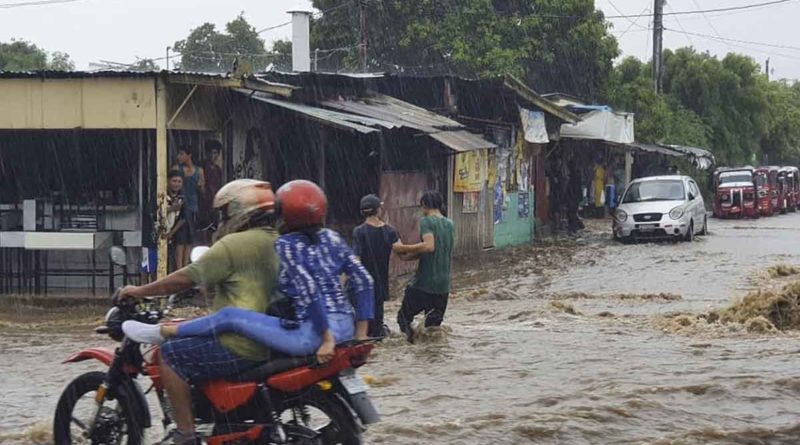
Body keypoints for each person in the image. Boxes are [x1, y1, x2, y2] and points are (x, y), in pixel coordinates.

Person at [117, 179, 280, 445]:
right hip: (270, 339)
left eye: (223, 212)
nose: (221, 219)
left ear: (237, 210)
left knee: (171, 354)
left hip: (241, 344)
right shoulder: (275, 240)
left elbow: (184, 278)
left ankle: (186, 434)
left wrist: (138, 290)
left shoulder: (234, 245)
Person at [393, 190, 454, 343]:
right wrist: (408, 257)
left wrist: (404, 248)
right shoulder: (449, 224)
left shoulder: (426, 221)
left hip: (424, 283)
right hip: (443, 286)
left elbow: (429, 246)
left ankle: (411, 350)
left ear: (425, 205)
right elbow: (437, 251)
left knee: (403, 318)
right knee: (432, 329)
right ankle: (430, 361)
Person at [352, 194, 403, 337]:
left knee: (362, 325)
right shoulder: (390, 231)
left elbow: (356, 260)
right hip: (380, 284)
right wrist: (424, 249)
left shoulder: (359, 231)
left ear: (362, 212)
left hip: (363, 286)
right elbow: (403, 251)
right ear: (379, 210)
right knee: (377, 326)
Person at [173, 146, 205, 260]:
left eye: (181, 154)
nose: (179, 157)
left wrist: (200, 186)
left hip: (193, 208)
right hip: (180, 207)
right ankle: (178, 268)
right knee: (180, 240)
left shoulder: (199, 171)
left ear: (189, 155)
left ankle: (185, 266)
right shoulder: (177, 168)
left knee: (190, 239)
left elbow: (202, 192)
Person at [161, 170, 188, 270]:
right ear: (168, 181)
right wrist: (172, 209)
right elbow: (155, 212)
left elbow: (183, 218)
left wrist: (171, 233)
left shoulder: (182, 198)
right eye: (174, 181)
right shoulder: (161, 195)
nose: (176, 184)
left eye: (179, 181)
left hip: (174, 234)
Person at [200, 140, 224, 242]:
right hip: (203, 204)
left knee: (214, 230)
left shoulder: (218, 170)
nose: (213, 156)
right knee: (203, 230)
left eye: (215, 153)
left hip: (214, 203)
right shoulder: (201, 167)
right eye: (211, 153)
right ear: (207, 153)